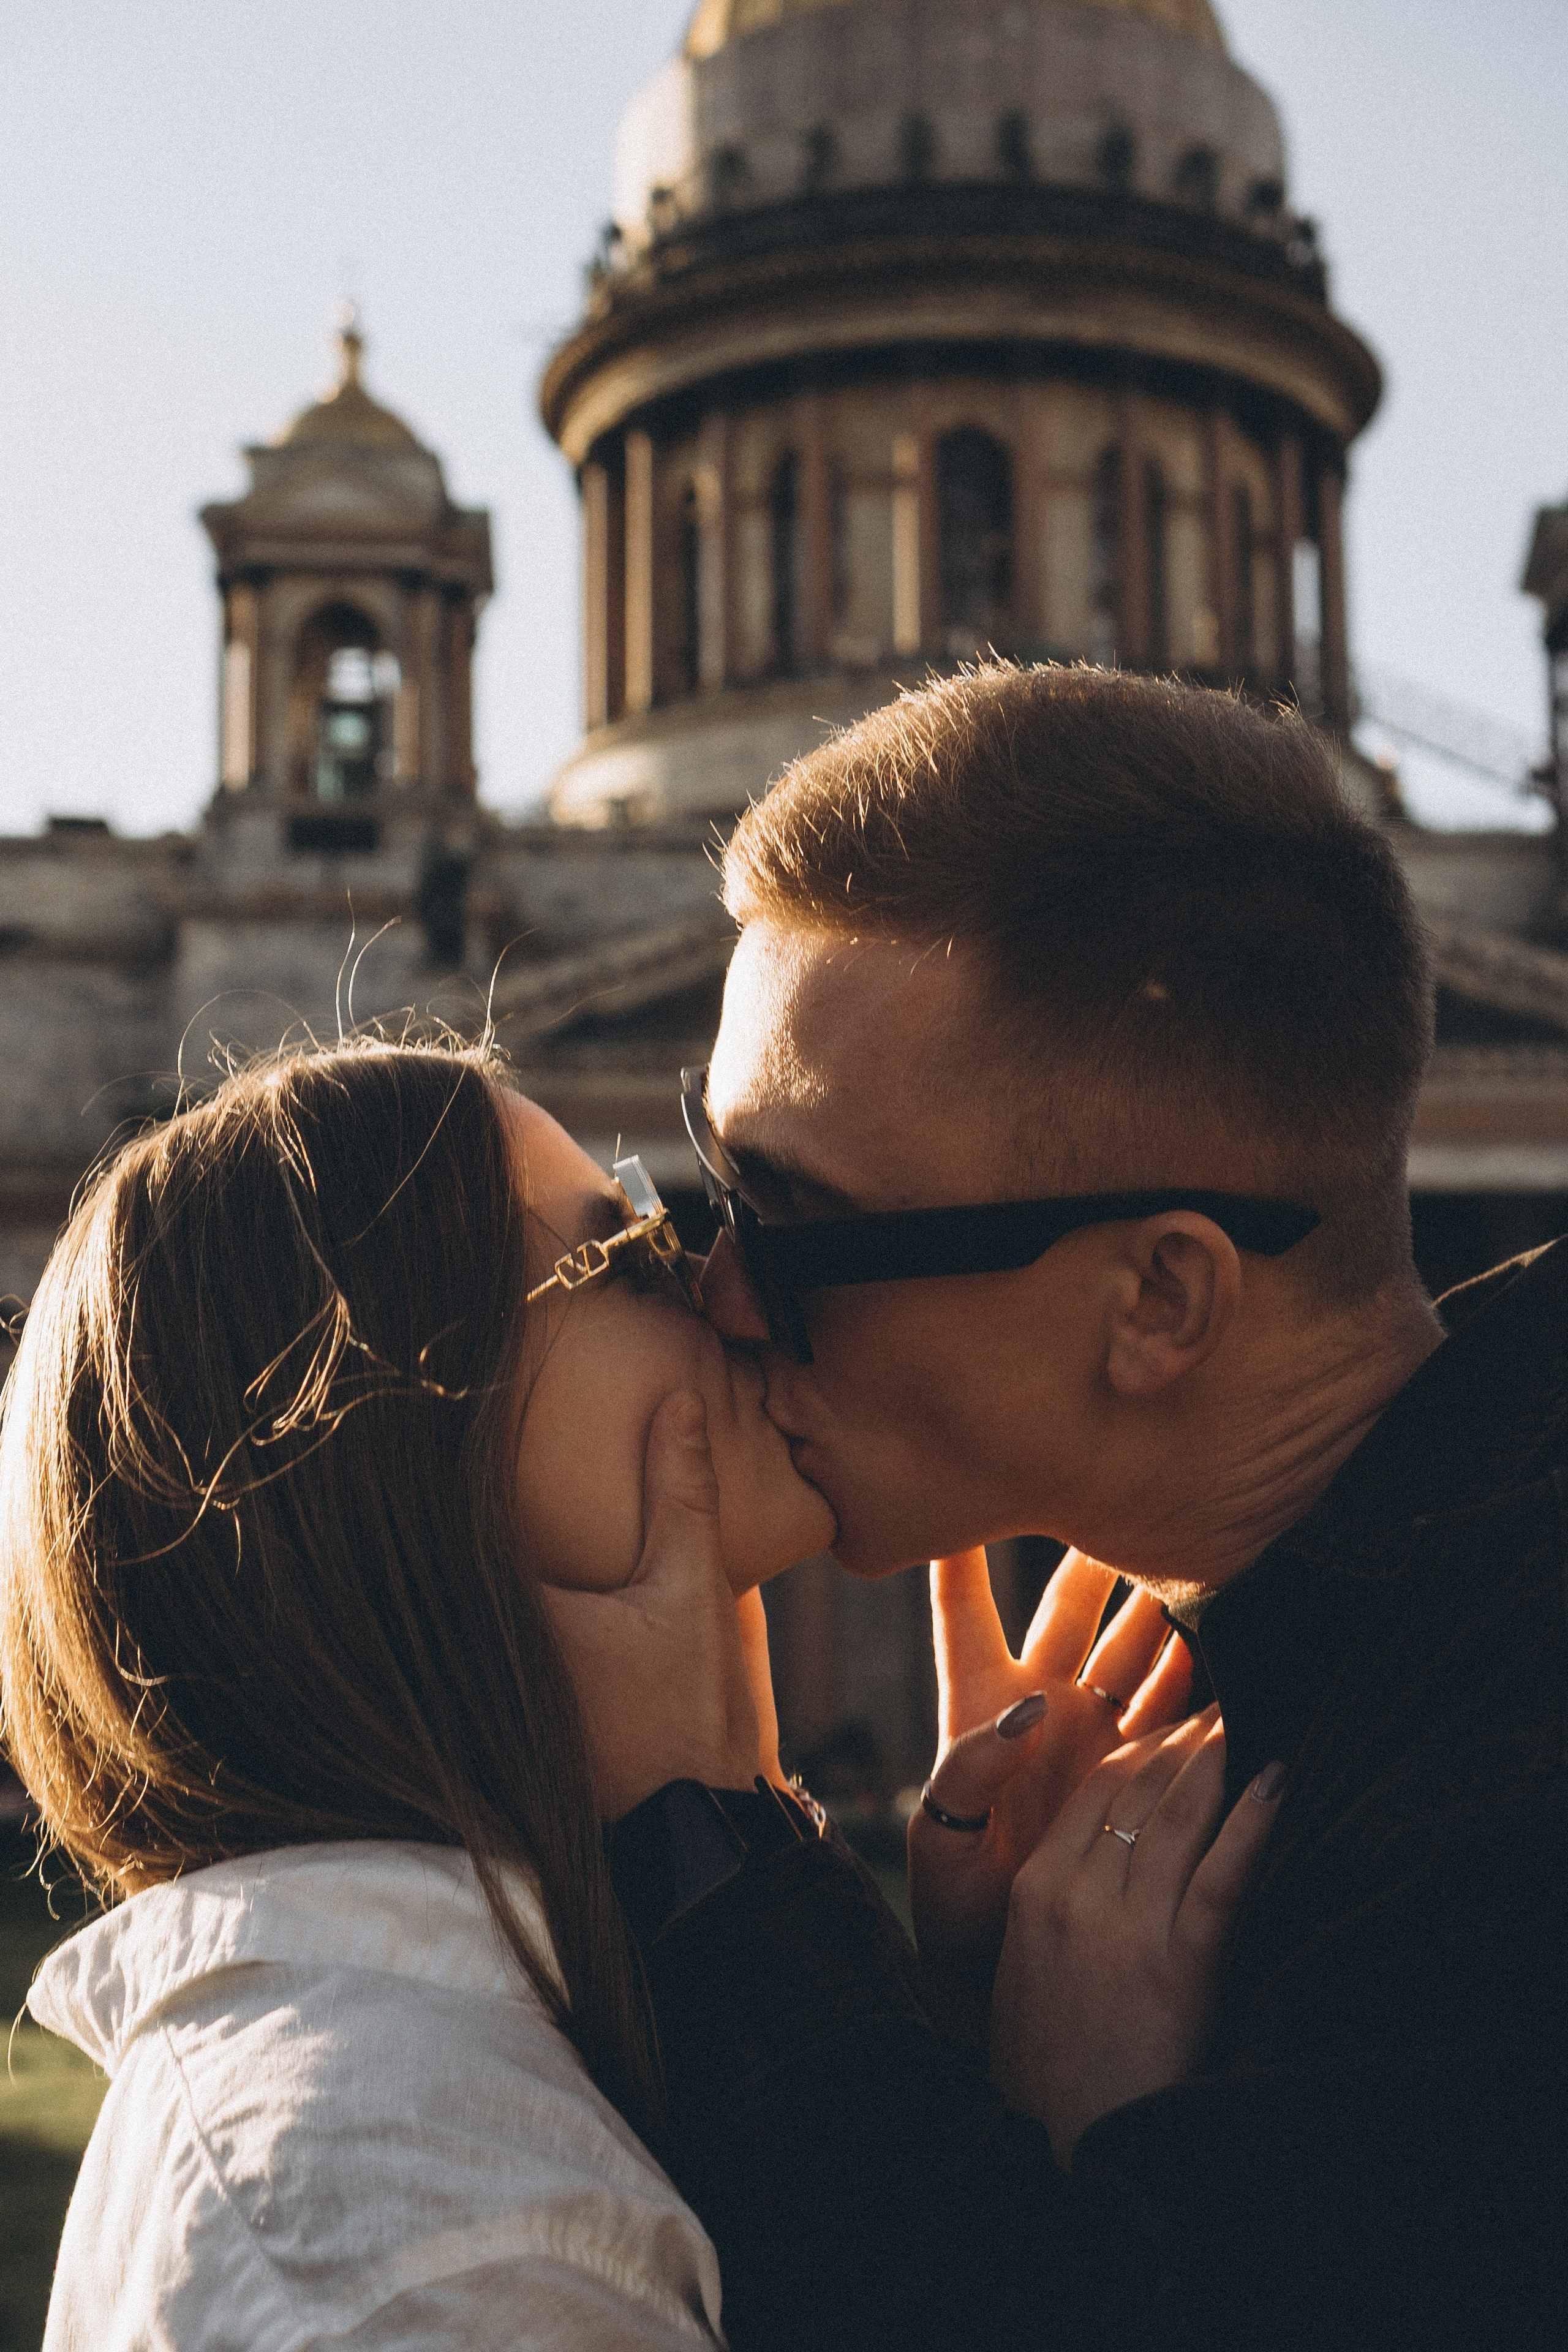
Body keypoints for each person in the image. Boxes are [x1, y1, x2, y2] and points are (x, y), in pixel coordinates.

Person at [552, 665, 1568, 2352]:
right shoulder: (1348, 1653)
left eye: (795, 1225)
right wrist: (970, 2040)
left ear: (1162, 1302)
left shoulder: (1512, 1787)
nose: (721, 1297)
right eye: (707, 1184)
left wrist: (697, 1835)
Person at [0, 1030, 1256, 2348]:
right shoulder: (417, 2223)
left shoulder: (503, 2074)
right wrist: (1082, 2135)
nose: (740, 1298)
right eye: (632, 1252)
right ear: (398, 1444)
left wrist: (946, 2073)